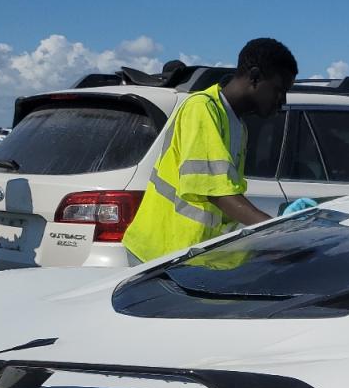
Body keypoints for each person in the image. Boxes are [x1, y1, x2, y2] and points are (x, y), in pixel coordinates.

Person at [123, 38, 303, 264]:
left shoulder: (237, 125)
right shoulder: (203, 108)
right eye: (278, 90)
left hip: (189, 257)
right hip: (159, 255)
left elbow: (224, 198)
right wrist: (274, 230)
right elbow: (217, 192)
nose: (282, 101)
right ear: (255, 77)